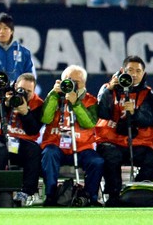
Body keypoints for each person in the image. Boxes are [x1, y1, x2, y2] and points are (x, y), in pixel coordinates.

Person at [96, 55, 153, 207]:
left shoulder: (147, 94)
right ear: (122, 71)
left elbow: (149, 120)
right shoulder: (108, 89)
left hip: (137, 142)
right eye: (130, 70)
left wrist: (135, 113)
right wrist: (109, 90)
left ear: (143, 74)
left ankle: (137, 190)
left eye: (138, 71)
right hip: (112, 140)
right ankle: (114, 194)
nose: (134, 74)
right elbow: (102, 113)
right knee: (110, 154)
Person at [40, 65, 104, 207]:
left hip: (82, 147)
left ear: (84, 84)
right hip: (55, 144)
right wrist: (54, 95)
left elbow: (90, 123)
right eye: (69, 80)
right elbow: (45, 118)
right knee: (49, 154)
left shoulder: (91, 101)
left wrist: (76, 103)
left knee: (97, 162)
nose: (72, 84)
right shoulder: (53, 96)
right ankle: (50, 196)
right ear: (61, 81)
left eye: (77, 82)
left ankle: (89, 197)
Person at [0, 73, 43, 207]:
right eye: (21, 89)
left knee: (34, 150)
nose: (24, 94)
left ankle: (27, 193)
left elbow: (34, 130)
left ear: (34, 91)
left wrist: (25, 113)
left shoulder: (38, 104)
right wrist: (4, 104)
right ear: (14, 86)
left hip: (19, 141)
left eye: (28, 92)